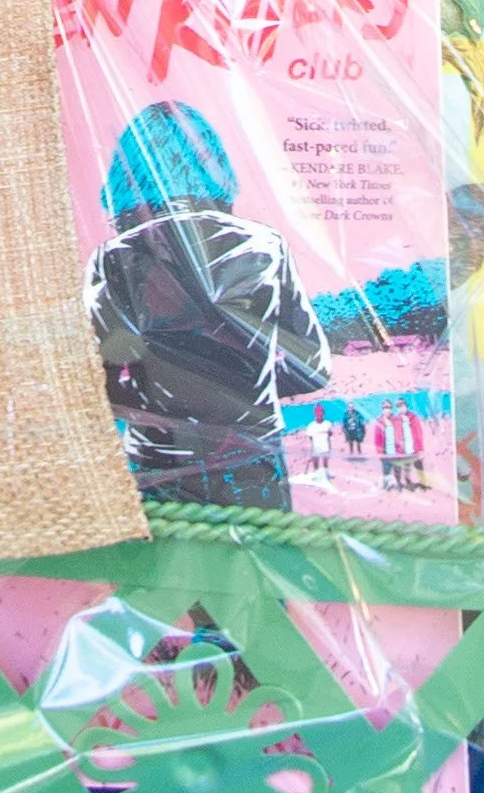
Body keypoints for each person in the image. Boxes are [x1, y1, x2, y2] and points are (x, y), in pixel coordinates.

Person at [85, 102, 331, 509]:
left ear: (125, 174)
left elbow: (98, 380)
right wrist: (245, 385)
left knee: (161, 572)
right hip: (251, 457)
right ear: (213, 164)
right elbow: (315, 370)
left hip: (155, 463)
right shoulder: (265, 248)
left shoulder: (113, 259)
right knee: (262, 569)